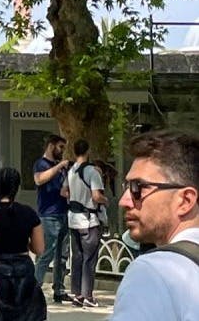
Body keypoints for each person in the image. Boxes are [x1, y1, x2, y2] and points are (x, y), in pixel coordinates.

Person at [112, 131, 199, 320]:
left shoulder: (154, 271)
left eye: (138, 188)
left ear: (185, 200)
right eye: (125, 187)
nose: (124, 201)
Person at [0, 168, 46, 321]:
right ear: (17, 187)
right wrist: (27, 244)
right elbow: (39, 248)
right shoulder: (29, 213)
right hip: (23, 269)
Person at [64, 139, 107, 308]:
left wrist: (75, 197)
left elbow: (63, 192)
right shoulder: (92, 172)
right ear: (88, 151)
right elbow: (96, 196)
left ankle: (77, 294)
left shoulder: (71, 171)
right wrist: (106, 201)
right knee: (90, 258)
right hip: (89, 220)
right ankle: (88, 295)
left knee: (77, 257)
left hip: (73, 220)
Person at [32, 134, 70, 302]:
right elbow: (39, 180)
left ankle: (59, 289)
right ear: (51, 145)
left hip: (64, 212)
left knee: (62, 255)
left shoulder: (61, 168)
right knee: (46, 254)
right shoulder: (41, 164)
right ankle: (33, 288)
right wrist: (59, 166)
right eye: (60, 147)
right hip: (49, 216)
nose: (62, 151)